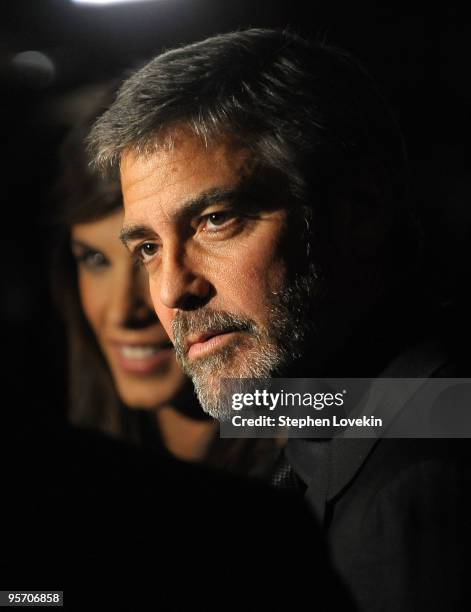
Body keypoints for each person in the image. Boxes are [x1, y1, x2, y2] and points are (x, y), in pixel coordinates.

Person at [87, 28, 471, 610]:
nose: (170, 290)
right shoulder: (339, 418)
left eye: (216, 220)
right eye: (147, 248)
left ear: (360, 209)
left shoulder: (418, 493)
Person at [52, 100, 280, 477]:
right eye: (95, 260)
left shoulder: (316, 412)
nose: (124, 310)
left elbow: (405, 411)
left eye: (148, 254)